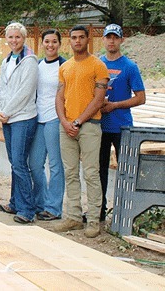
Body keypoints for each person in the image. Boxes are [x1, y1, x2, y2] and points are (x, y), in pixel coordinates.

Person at [54, 25, 109, 238]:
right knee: (70, 172)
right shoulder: (65, 67)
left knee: (91, 173)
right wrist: (65, 121)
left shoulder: (98, 66)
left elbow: (98, 100)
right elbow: (59, 97)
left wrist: (78, 121)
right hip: (66, 126)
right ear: (70, 41)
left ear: (88, 40)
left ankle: (93, 220)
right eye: (74, 38)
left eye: (81, 37)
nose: (77, 41)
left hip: (89, 126)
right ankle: (73, 217)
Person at [99, 24, 145, 221]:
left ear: (121, 40)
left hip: (122, 125)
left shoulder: (129, 67)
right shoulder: (97, 64)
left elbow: (141, 98)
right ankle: (98, 209)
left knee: (125, 170)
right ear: (103, 40)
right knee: (98, 170)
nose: (111, 41)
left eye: (115, 38)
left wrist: (115, 105)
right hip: (100, 125)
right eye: (108, 37)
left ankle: (125, 211)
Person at [0, 22, 38, 224]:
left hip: (22, 118)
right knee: (14, 163)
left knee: (20, 163)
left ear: (24, 38)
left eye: (17, 37)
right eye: (10, 37)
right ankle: (14, 202)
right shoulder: (7, 60)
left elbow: (25, 92)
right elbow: (2, 88)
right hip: (7, 118)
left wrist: (8, 111)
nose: (14, 40)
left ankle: (27, 209)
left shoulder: (29, 60)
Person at [28, 29, 66, 222]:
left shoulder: (64, 66)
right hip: (38, 118)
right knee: (34, 164)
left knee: (55, 164)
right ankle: (39, 202)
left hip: (55, 118)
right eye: (47, 42)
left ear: (59, 44)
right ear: (41, 43)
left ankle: (53, 207)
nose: (50, 45)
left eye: (54, 42)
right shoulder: (38, 64)